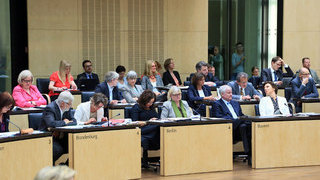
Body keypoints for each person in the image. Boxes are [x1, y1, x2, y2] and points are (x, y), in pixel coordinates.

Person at [212, 85, 251, 165]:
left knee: (247, 126)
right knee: (244, 125)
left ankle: (250, 153)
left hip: (240, 128)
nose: (231, 95)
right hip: (228, 129)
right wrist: (238, 120)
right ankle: (250, 155)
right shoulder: (217, 104)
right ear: (222, 94)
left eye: (231, 93)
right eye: (228, 93)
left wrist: (242, 119)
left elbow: (241, 115)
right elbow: (219, 118)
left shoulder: (235, 103)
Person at [39, 91, 77, 163]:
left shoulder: (67, 108)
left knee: (76, 144)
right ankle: (48, 165)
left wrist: (64, 124)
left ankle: (67, 165)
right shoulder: (50, 108)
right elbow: (51, 123)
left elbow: (74, 122)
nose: (71, 106)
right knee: (57, 149)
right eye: (70, 104)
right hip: (48, 137)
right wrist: (64, 122)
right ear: (63, 103)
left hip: (60, 137)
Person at [131, 90, 160, 168]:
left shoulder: (151, 107)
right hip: (141, 130)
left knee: (160, 128)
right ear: (144, 100)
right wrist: (148, 122)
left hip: (152, 128)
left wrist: (155, 120)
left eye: (152, 102)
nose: (150, 104)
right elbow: (135, 122)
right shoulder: (136, 107)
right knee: (156, 128)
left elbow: (157, 118)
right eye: (149, 102)